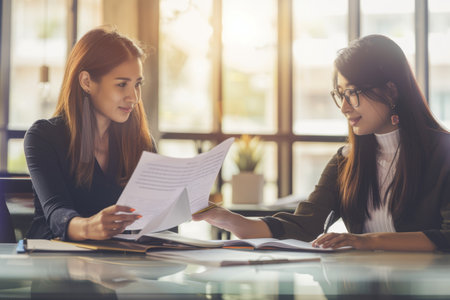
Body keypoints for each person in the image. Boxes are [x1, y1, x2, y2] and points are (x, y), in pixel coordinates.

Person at [193, 34, 450, 252]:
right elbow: (305, 225)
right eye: (341, 95)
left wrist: (366, 241)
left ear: (391, 90)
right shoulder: (347, 159)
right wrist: (227, 219)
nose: (345, 107)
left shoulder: (443, 153)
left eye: (353, 93)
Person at [24, 27, 155, 241]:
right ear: (86, 82)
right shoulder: (44, 137)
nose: (133, 97)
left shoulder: (141, 143)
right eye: (122, 84)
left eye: (137, 84)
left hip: (119, 265)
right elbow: (56, 213)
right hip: (53, 264)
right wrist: (89, 226)